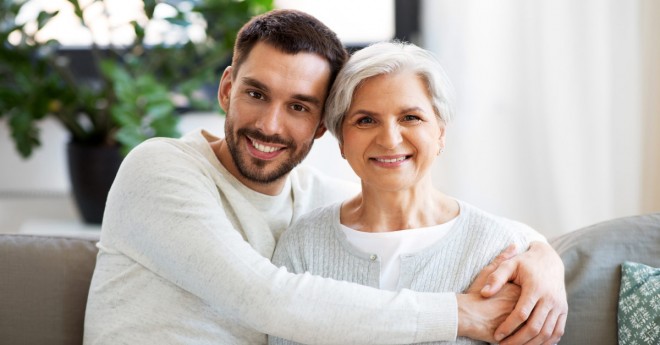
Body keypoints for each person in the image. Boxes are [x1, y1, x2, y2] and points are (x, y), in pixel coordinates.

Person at [83, 9, 566, 345]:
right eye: (256, 93)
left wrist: (544, 257)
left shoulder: (310, 197)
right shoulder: (161, 168)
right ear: (227, 89)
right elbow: (265, 298)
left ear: (321, 126)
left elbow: (430, 215)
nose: (271, 125)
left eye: (298, 106)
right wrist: (461, 314)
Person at [268, 40, 565, 345]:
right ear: (341, 140)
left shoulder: (500, 251)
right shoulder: (302, 248)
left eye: (410, 117)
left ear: (440, 132)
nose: (389, 139)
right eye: (366, 120)